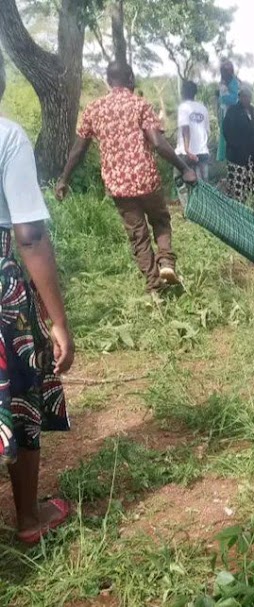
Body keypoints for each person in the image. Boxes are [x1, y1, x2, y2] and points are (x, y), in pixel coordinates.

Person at [0, 53, 76, 544]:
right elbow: (28, 234)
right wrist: (58, 320)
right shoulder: (7, 136)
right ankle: (28, 518)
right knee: (20, 393)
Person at [56, 61, 197, 293]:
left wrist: (64, 179)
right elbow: (158, 143)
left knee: (138, 236)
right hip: (146, 179)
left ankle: (155, 288)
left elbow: (78, 150)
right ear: (130, 79)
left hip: (119, 186)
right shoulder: (140, 105)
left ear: (109, 81)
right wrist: (184, 168)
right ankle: (166, 262)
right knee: (161, 221)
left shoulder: (94, 109)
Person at [175, 80, 210, 207]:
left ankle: (188, 210)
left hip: (186, 153)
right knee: (203, 184)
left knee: (180, 179)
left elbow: (185, 128)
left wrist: (187, 149)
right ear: (195, 93)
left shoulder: (183, 107)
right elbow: (206, 130)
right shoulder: (203, 108)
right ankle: (204, 209)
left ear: (183, 93)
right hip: (202, 151)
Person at [223, 84, 254, 201]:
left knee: (250, 179)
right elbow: (226, 130)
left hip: (251, 153)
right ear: (239, 97)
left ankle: (249, 201)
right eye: (244, 96)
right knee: (237, 181)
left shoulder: (253, 110)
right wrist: (236, 145)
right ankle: (236, 204)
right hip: (237, 153)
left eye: (248, 97)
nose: (246, 99)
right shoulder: (232, 110)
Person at [216, 59, 240, 163]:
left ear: (230, 71)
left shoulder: (234, 82)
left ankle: (231, 158)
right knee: (223, 135)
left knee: (231, 136)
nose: (224, 73)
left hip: (232, 113)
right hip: (223, 112)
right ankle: (225, 159)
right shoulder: (223, 82)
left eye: (226, 71)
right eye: (223, 71)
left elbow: (234, 99)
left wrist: (222, 98)